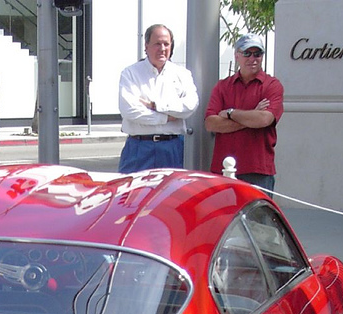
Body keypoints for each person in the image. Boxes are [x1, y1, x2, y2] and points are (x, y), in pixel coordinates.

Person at [204, 34, 283, 192]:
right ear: (237, 55)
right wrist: (251, 116)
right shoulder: (222, 86)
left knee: (257, 218)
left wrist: (230, 113)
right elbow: (211, 123)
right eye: (247, 53)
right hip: (223, 169)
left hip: (258, 171)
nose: (252, 58)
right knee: (224, 217)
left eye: (257, 54)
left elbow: (264, 120)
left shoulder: (272, 85)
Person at [116, 24, 198, 173]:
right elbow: (130, 111)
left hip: (172, 147)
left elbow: (190, 105)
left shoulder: (182, 74)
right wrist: (168, 117)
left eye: (166, 44)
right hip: (138, 147)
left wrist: (156, 106)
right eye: (157, 44)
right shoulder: (130, 74)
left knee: (173, 195)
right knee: (133, 195)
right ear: (146, 46)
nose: (162, 48)